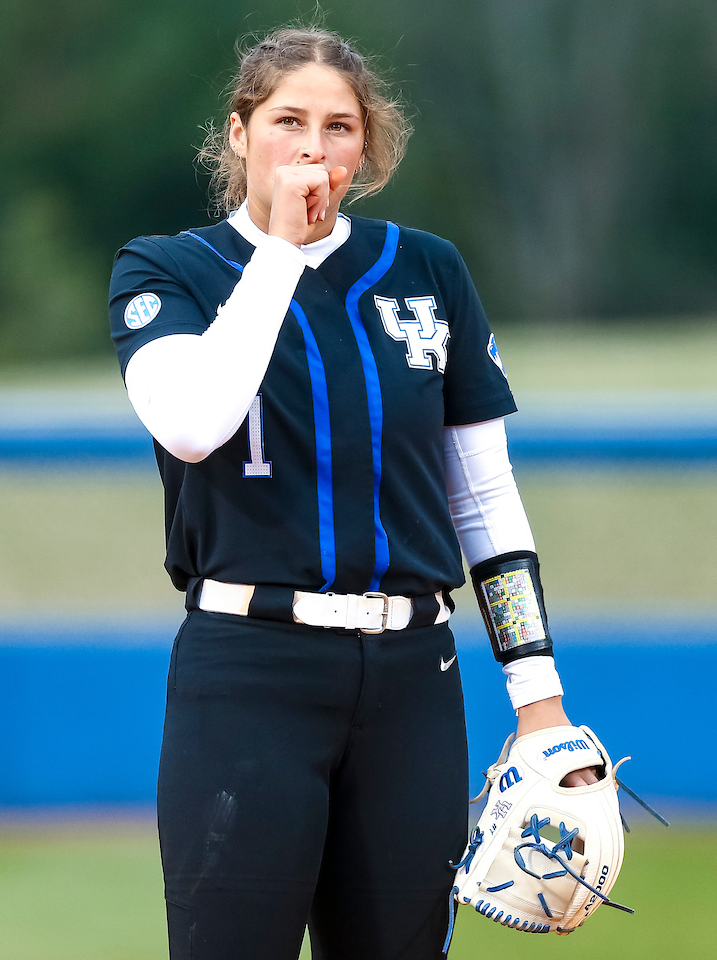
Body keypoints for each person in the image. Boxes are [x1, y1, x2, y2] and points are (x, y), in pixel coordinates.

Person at [108, 26, 599, 960]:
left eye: (339, 127)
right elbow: (192, 422)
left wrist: (540, 697)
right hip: (249, 668)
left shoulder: (427, 272)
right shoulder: (167, 268)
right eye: (287, 120)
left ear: (365, 149)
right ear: (240, 131)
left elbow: (485, 503)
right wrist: (282, 254)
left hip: (414, 678)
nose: (312, 147)